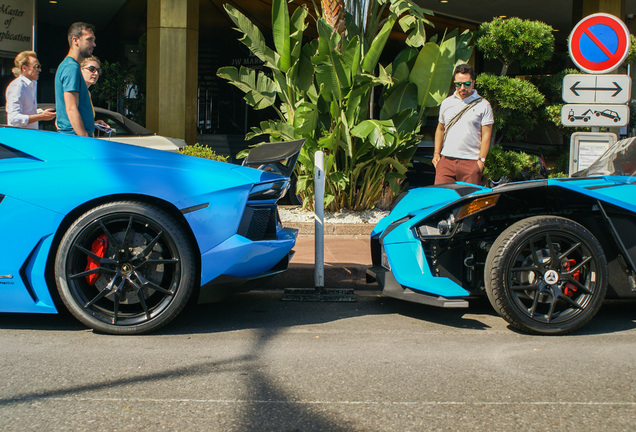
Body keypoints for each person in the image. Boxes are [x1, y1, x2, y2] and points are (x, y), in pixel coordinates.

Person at [432, 63, 494, 185]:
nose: (462, 88)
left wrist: (481, 161)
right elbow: (440, 129)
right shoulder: (446, 103)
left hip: (471, 163)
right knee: (441, 199)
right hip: (446, 161)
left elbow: (487, 135)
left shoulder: (483, 105)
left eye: (466, 84)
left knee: (469, 202)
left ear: (473, 83)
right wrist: (436, 155)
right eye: (458, 84)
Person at [55, 22, 97, 137]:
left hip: (72, 136)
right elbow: (71, 108)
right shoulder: (71, 68)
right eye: (89, 40)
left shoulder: (71, 66)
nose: (94, 44)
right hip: (74, 137)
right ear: (75, 40)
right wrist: (85, 139)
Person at [5, 51, 56, 129]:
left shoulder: (32, 84)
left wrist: (40, 113)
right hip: (20, 137)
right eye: (36, 67)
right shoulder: (17, 86)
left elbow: (27, 111)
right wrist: (41, 116)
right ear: (24, 68)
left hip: (30, 135)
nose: (40, 70)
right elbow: (14, 119)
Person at [80, 56, 110, 132]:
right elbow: (61, 122)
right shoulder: (75, 92)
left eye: (98, 71)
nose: (96, 73)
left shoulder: (87, 93)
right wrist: (83, 136)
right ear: (81, 70)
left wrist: (94, 123)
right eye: (92, 69)